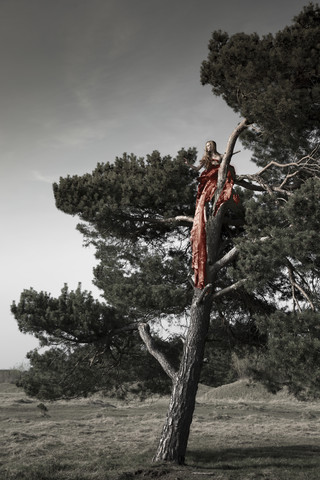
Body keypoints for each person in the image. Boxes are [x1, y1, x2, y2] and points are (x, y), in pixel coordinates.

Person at [185, 141, 239, 289]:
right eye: (207, 145)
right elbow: (197, 168)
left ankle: (216, 204)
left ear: (214, 146)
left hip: (218, 177)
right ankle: (207, 211)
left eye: (210, 145)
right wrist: (189, 164)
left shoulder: (221, 156)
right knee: (205, 198)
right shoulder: (206, 159)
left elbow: (225, 164)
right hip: (210, 178)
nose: (208, 147)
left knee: (218, 191)